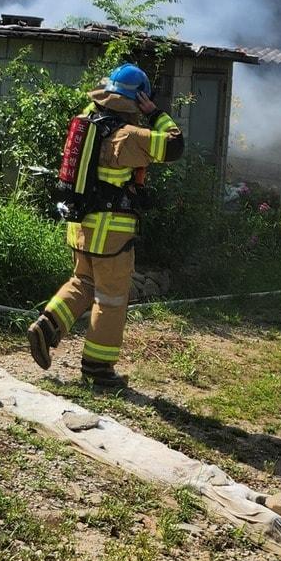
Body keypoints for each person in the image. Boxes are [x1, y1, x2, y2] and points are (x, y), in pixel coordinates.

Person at [27, 62, 184, 392]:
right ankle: (98, 370)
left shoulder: (88, 121)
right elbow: (174, 144)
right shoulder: (127, 137)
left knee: (83, 282)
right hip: (110, 233)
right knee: (111, 298)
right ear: (138, 99)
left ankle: (47, 325)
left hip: (79, 226)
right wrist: (155, 113)